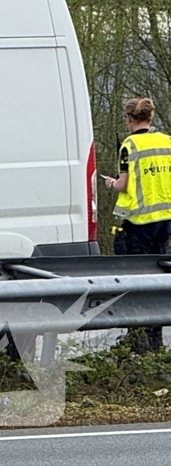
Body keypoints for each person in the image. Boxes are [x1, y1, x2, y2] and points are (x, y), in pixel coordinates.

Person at [104, 96, 171, 351]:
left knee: (138, 281)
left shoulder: (129, 146)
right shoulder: (167, 142)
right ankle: (156, 337)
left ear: (128, 118)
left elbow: (123, 184)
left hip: (139, 221)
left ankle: (140, 340)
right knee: (159, 278)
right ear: (150, 117)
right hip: (165, 219)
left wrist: (110, 183)